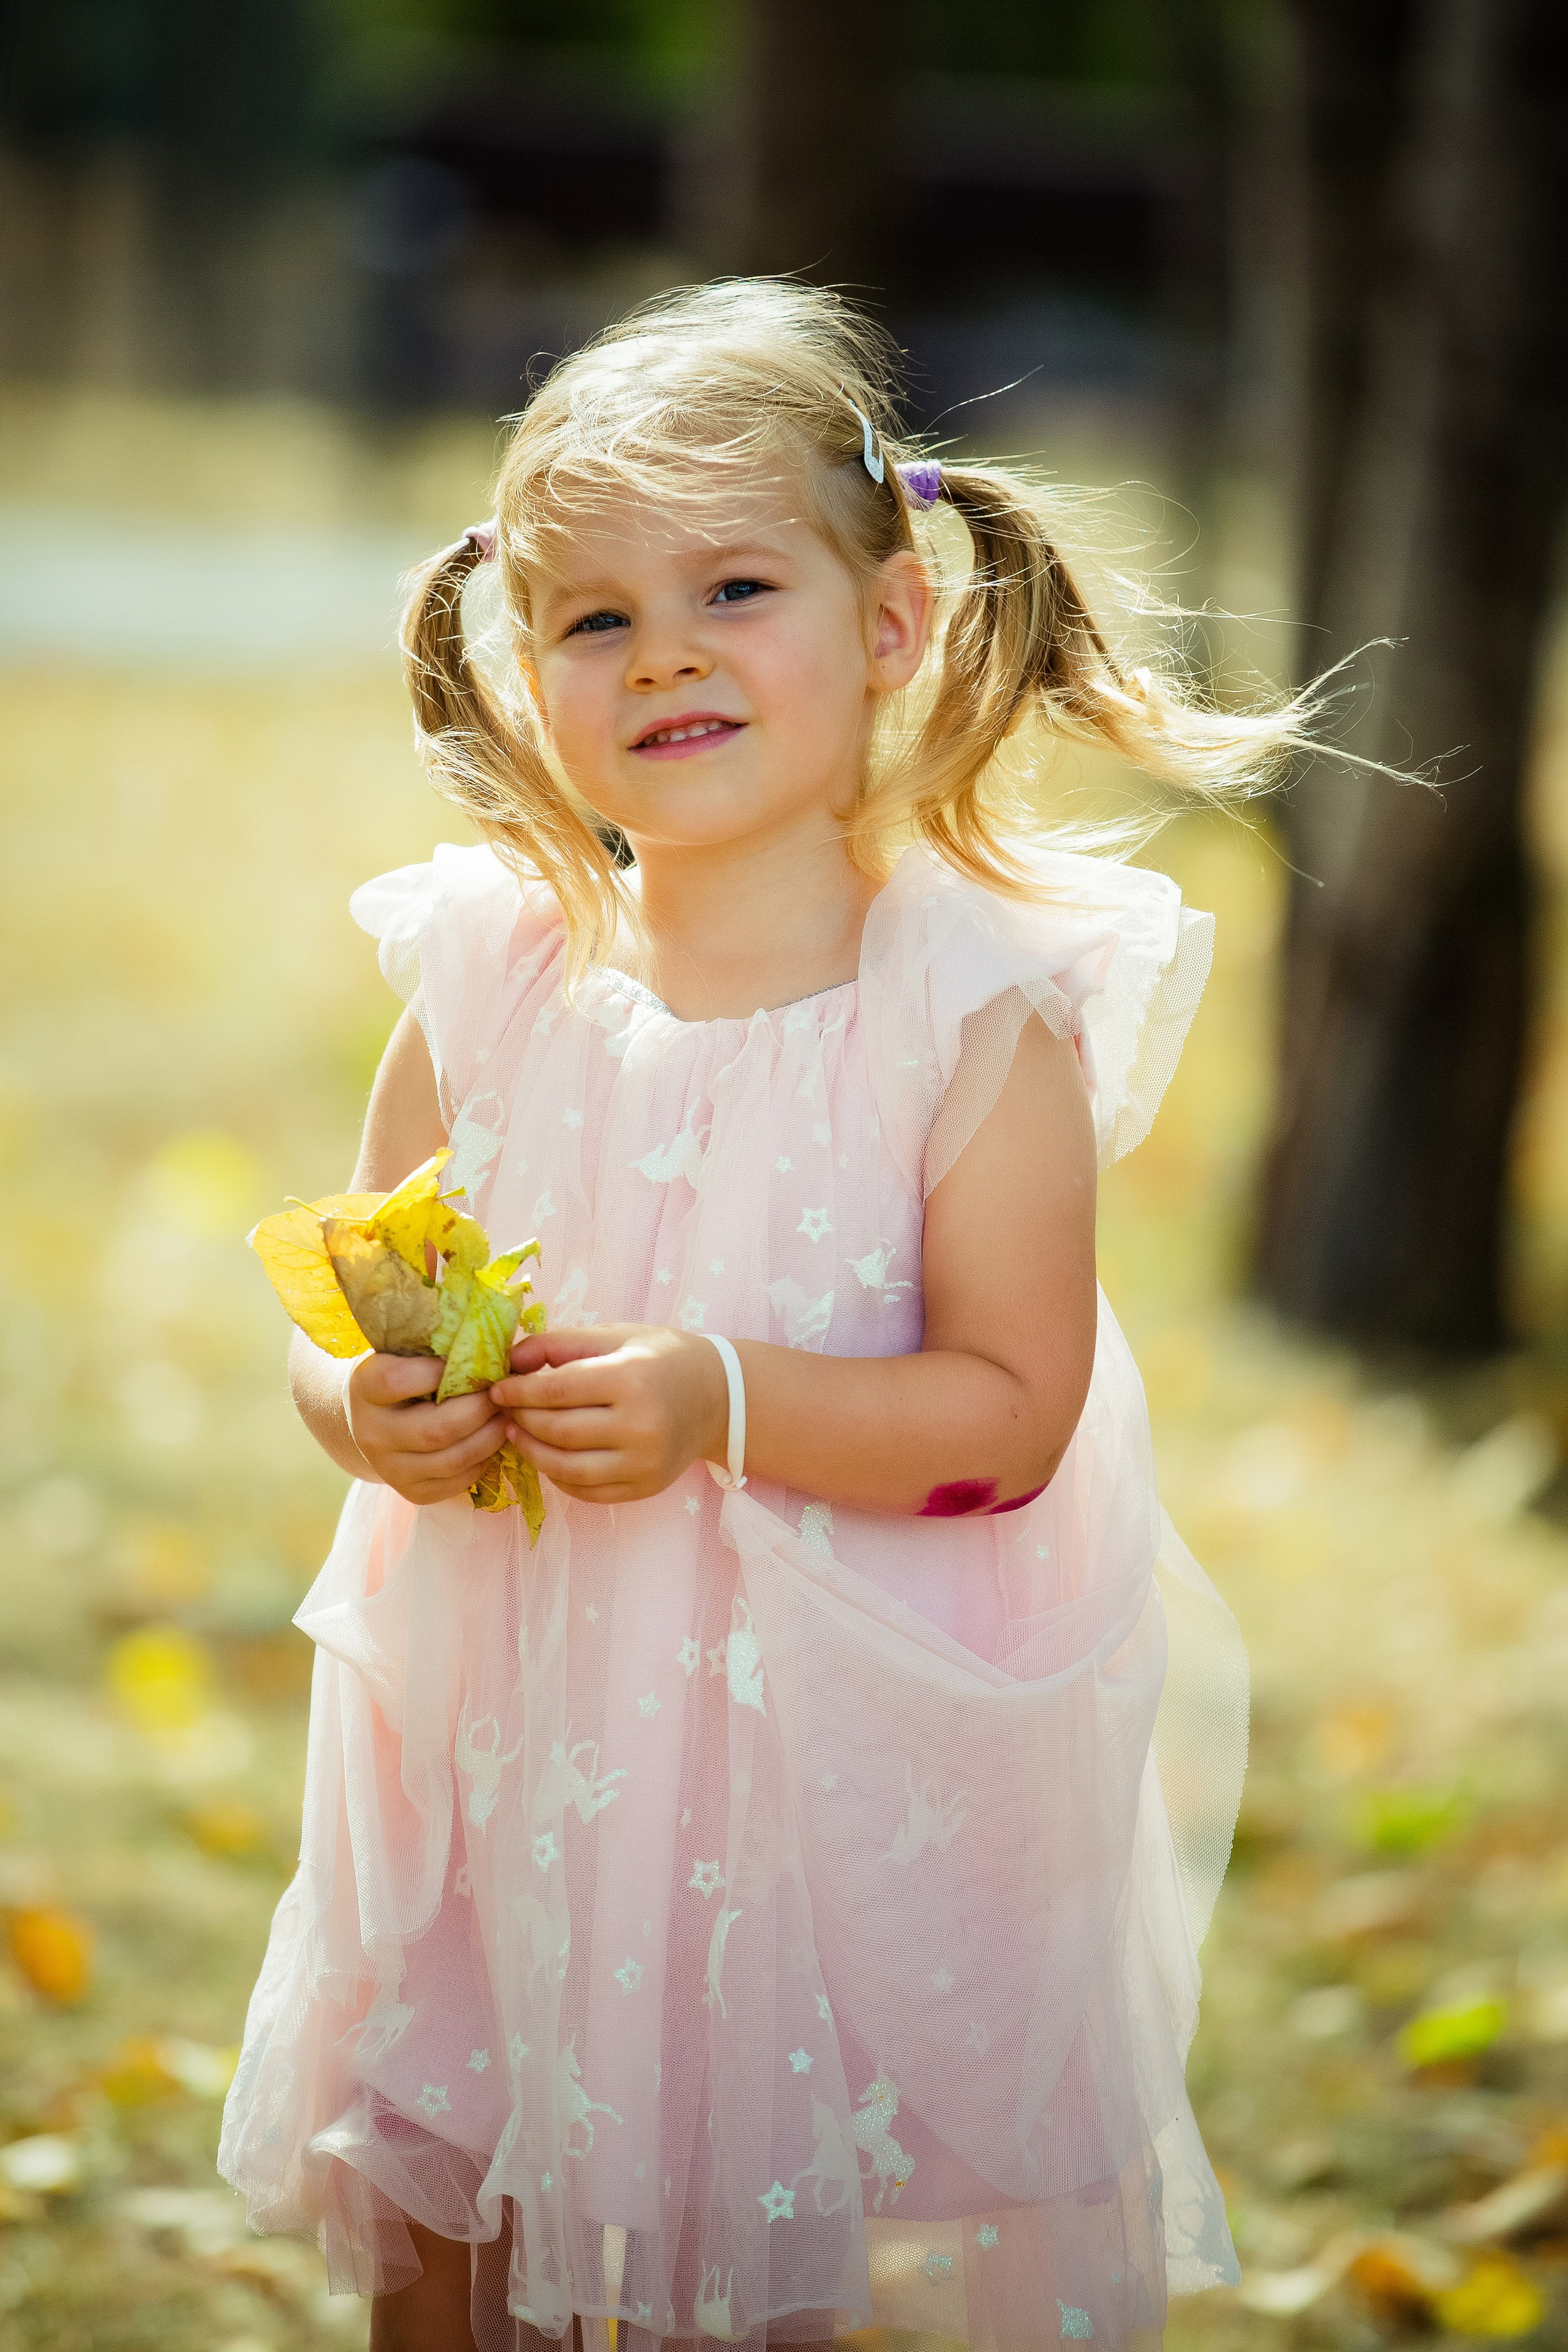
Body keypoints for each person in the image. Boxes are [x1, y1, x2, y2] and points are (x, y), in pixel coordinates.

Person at [220, 279, 1293, 2352]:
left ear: (888, 625)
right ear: (521, 668)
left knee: (729, 2222)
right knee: (447, 2184)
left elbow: (1012, 1413)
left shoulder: (964, 1021)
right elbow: (358, 1294)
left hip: (778, 1781)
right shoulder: (488, 975)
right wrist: (368, 1407)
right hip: (496, 1735)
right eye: (595, 618)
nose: (669, 652)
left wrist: (721, 1395)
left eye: (732, 586)